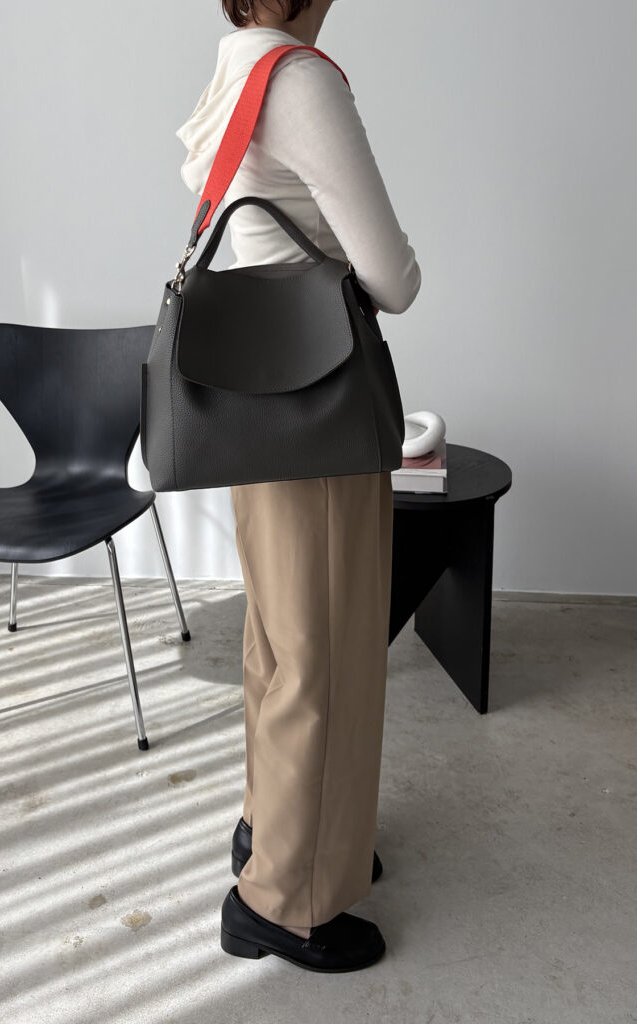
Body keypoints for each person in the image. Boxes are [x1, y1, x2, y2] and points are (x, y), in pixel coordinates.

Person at [175, 0, 421, 971]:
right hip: (318, 407)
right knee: (325, 654)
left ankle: (277, 830)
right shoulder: (301, 78)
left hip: (253, 407)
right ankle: (285, 901)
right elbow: (392, 277)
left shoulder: (235, 66)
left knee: (281, 645)